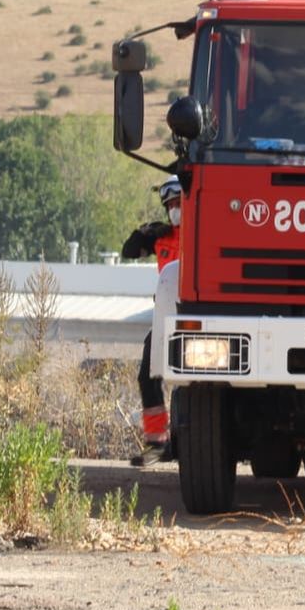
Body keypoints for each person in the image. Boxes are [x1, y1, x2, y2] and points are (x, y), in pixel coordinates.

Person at [122, 176, 183, 466]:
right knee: (148, 375)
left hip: (195, 313)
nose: (174, 209)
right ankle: (158, 442)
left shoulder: (203, 228)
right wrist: (143, 233)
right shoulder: (162, 237)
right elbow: (129, 251)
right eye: (169, 205)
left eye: (178, 203)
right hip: (165, 315)